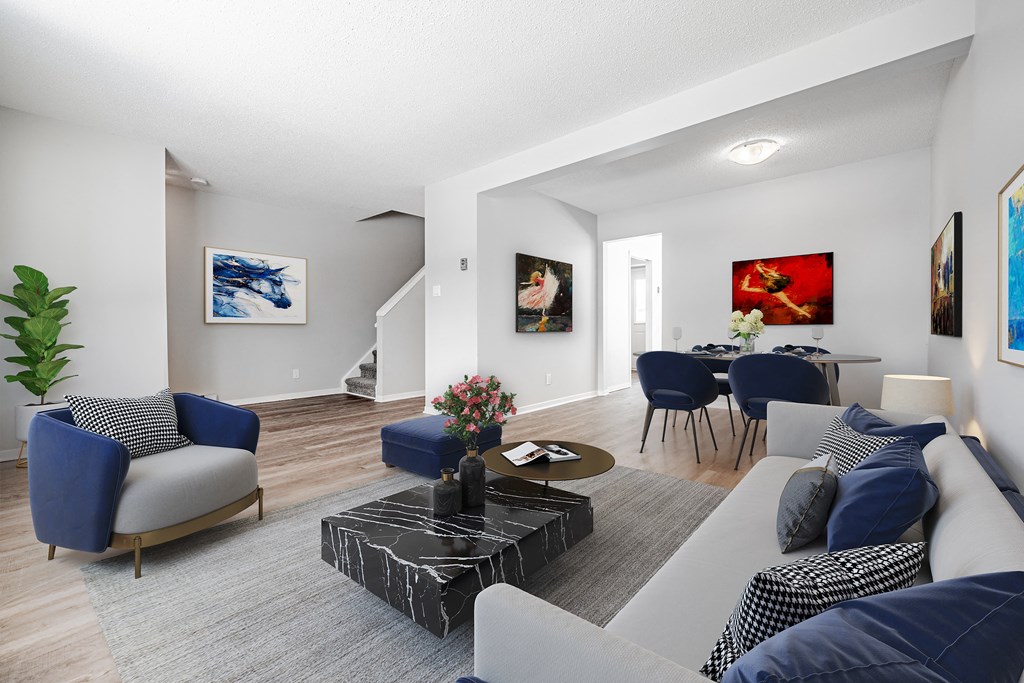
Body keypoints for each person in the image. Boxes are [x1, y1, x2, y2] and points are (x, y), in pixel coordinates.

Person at [740, 261, 812, 319]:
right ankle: (804, 312)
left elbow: (767, 273)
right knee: (788, 303)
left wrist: (760, 268)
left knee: (788, 303)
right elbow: (765, 274)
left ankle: (804, 312)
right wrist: (749, 276)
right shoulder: (771, 285)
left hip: (774, 285)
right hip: (773, 287)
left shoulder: (773, 277)